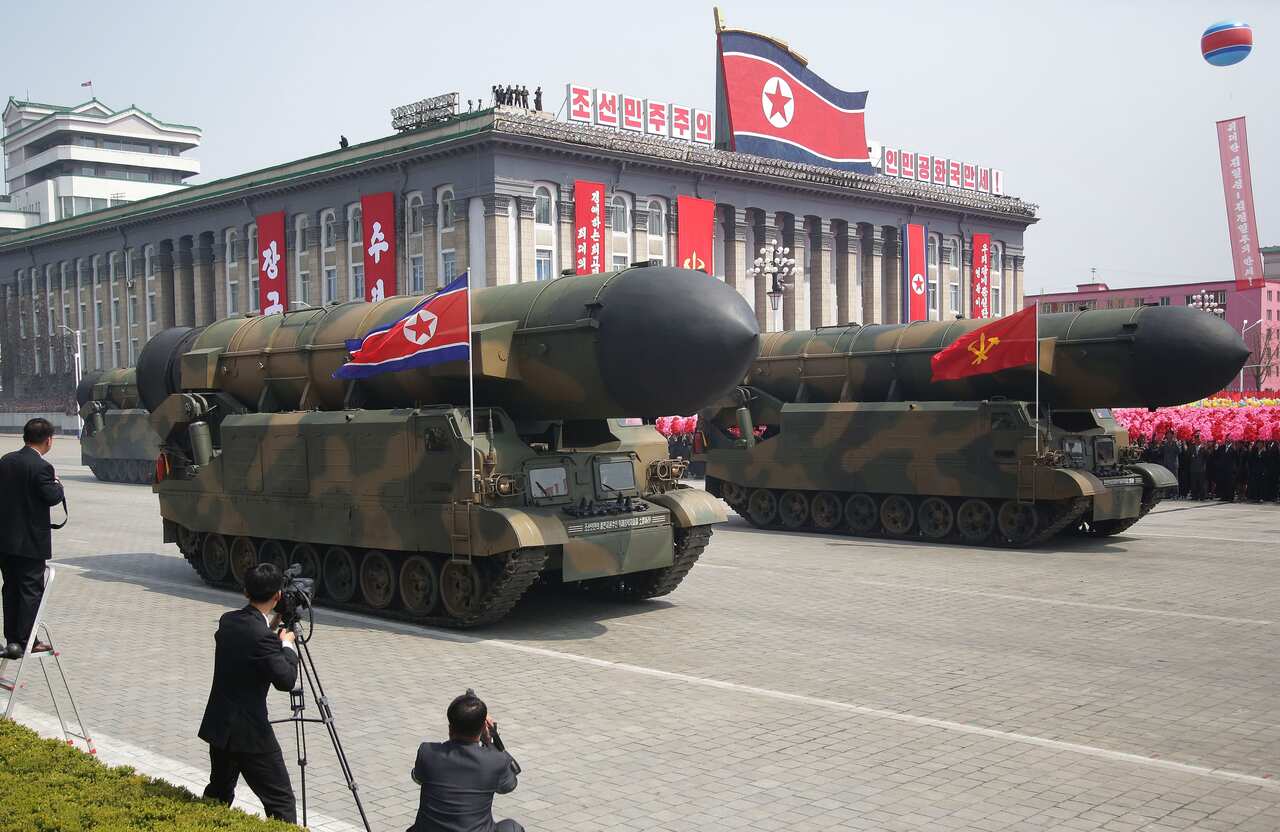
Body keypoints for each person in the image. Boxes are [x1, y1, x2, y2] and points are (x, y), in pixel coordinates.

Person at [199, 563, 300, 824]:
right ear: (277, 596)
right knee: (282, 805)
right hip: (250, 736)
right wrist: (287, 644)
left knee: (219, 794)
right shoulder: (263, 638)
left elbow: (252, 641)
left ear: (245, 592)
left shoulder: (228, 621)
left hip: (220, 728)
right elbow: (286, 680)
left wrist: (273, 626)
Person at [409, 692, 522, 832]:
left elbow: (417, 777)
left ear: (450, 728)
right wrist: (491, 741)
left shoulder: (427, 752)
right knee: (512, 827)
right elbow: (509, 786)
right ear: (483, 728)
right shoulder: (495, 760)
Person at [0, 418, 65, 659]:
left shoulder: (6, 461)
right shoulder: (42, 468)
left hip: (5, 541)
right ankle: (28, 640)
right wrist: (58, 485)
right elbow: (51, 497)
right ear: (48, 440)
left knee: (11, 589)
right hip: (29, 543)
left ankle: (13, 640)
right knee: (30, 591)